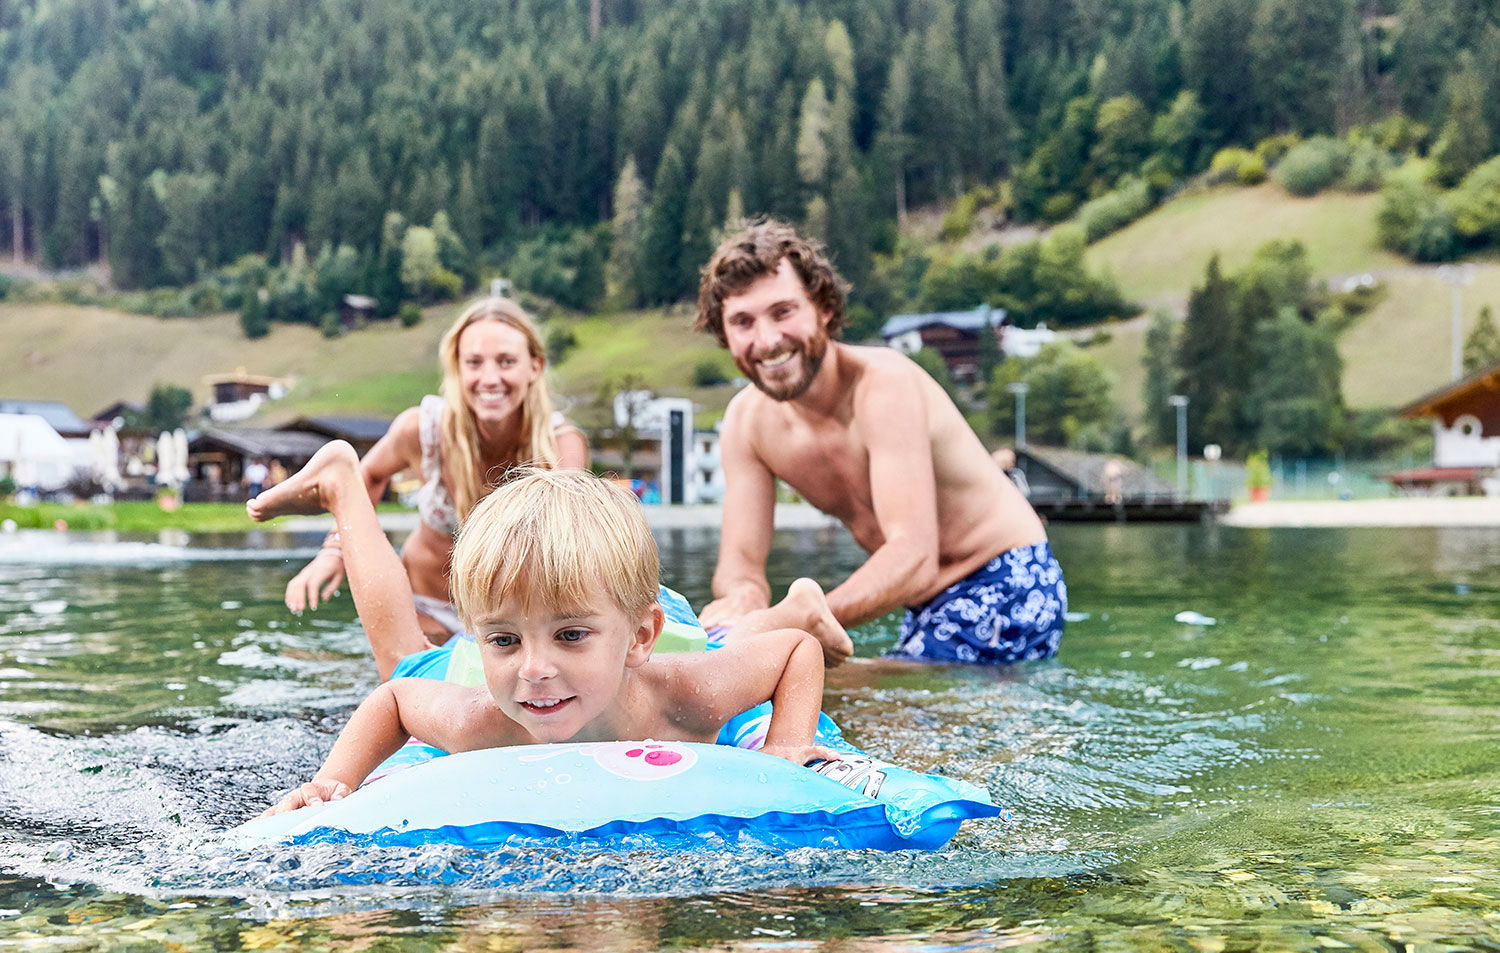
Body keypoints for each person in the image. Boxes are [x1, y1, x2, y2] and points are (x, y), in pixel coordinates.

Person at [248, 441, 836, 815]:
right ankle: (343, 484)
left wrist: (786, 748)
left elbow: (794, 654)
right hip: (576, 613)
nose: (533, 670)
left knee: (722, 634)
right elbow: (397, 698)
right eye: (503, 641)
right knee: (404, 661)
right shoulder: (483, 718)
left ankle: (797, 602)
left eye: (568, 637)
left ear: (639, 638)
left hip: (661, 620)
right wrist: (332, 783)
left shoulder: (685, 695)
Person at [695, 220, 1066, 666]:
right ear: (724, 333)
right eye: (742, 322)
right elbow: (740, 561)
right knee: (772, 685)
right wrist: (743, 601)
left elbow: (914, 555)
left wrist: (795, 622)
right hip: (925, 605)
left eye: (783, 312)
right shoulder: (745, 423)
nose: (767, 339)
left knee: (810, 692)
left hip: (1009, 577)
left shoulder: (884, 385)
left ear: (824, 309)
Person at [260, 297, 588, 642]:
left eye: (506, 362)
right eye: (474, 362)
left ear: (534, 367)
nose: (490, 378)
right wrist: (335, 550)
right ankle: (336, 474)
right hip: (425, 611)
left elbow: (568, 550)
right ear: (457, 368)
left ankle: (334, 469)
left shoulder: (559, 447)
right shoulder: (424, 430)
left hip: (517, 627)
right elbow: (368, 476)